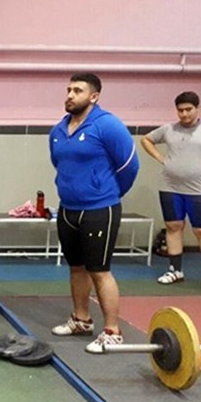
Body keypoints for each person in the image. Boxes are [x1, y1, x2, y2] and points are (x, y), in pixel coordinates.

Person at [48, 73, 139, 354]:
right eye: (69, 89)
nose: (70, 95)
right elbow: (59, 164)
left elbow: (130, 166)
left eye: (78, 90)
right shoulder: (58, 130)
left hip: (100, 209)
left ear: (94, 96)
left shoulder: (107, 125)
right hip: (68, 210)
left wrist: (107, 193)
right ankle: (81, 319)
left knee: (99, 271)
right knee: (76, 267)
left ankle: (112, 331)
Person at [140, 91, 201, 287]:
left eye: (188, 109)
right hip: (170, 188)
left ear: (197, 108)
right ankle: (175, 271)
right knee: (173, 227)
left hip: (200, 190)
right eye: (180, 110)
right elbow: (146, 139)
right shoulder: (169, 129)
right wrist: (161, 158)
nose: (184, 114)